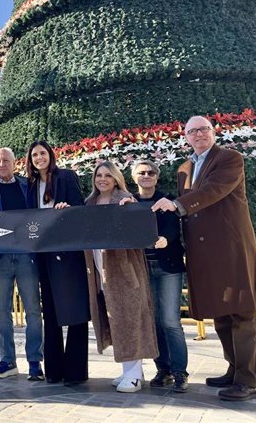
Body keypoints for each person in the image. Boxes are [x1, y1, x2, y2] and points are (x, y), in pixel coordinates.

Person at [152, 116, 256, 401]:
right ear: (186, 137)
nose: (199, 134)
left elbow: (214, 190)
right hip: (202, 253)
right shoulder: (184, 168)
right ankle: (234, 369)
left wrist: (178, 204)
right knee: (221, 313)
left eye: (204, 129)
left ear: (213, 132)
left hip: (230, 248)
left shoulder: (229, 158)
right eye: (192, 131)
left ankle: (248, 380)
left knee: (241, 312)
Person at [85, 161, 158, 393]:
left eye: (108, 175)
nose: (103, 179)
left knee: (129, 318)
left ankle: (134, 375)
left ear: (116, 178)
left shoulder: (125, 200)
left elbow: (138, 232)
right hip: (100, 268)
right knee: (115, 318)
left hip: (124, 270)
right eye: (99, 175)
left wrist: (130, 211)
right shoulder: (89, 203)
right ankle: (131, 370)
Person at [25, 141, 91, 387]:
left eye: (42, 153)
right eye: (34, 155)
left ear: (50, 155)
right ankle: (54, 369)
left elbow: (80, 209)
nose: (39, 158)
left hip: (67, 253)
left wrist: (68, 209)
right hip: (44, 253)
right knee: (50, 311)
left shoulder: (66, 177)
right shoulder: (32, 185)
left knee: (73, 309)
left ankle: (75, 371)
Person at [0, 147, 43, 381]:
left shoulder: (28, 186)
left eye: (6, 160)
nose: (2, 164)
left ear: (15, 163)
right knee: (2, 312)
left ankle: (35, 362)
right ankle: (8, 361)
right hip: (0, 257)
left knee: (33, 310)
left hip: (26, 255)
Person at [131, 160, 189, 393]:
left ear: (156, 176)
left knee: (170, 322)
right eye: (141, 172)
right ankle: (162, 369)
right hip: (142, 269)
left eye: (150, 172)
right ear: (133, 177)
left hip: (168, 268)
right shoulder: (129, 203)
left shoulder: (167, 200)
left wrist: (166, 238)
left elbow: (175, 229)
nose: (146, 175)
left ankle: (180, 372)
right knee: (154, 322)